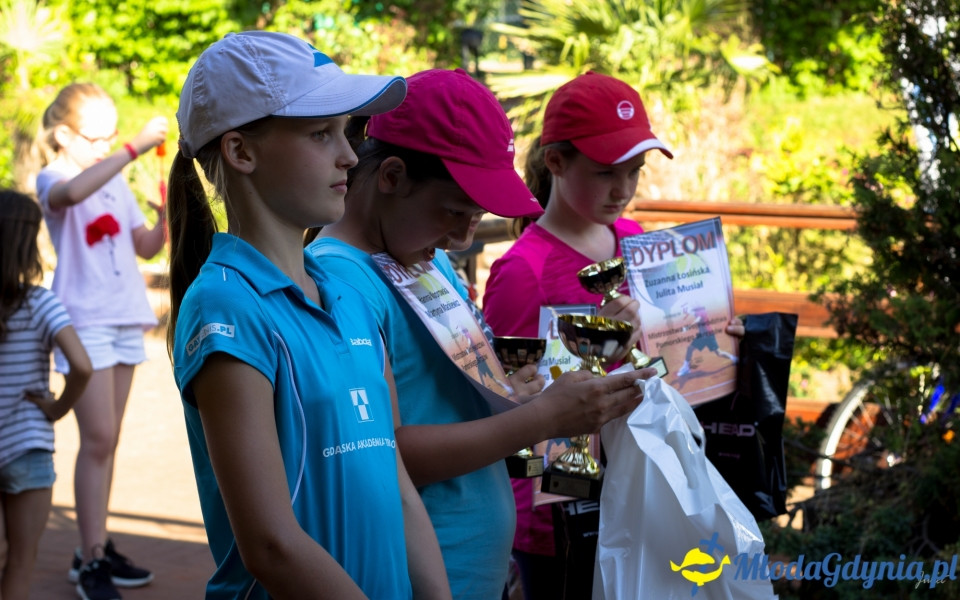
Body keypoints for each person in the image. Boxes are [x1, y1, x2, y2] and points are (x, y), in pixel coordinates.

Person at [307, 68, 652, 600]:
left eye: (477, 217)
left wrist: (528, 394)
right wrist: (544, 416)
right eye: (456, 212)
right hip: (416, 577)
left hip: (476, 569)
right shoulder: (342, 281)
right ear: (391, 176)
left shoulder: (425, 258)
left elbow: (472, 397)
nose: (465, 238)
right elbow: (387, 451)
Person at [166, 31, 449, 600]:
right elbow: (270, 545)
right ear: (241, 152)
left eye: (347, 132)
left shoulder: (346, 291)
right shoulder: (225, 305)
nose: (349, 155)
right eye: (321, 133)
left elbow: (394, 483)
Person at [482, 71, 745, 600]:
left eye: (636, 170)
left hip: (648, 486)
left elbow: (664, 374)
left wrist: (709, 339)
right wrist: (598, 352)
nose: (623, 188)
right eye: (606, 172)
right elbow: (505, 411)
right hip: (560, 515)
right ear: (555, 162)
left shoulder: (635, 242)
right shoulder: (522, 271)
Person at [35, 82, 167, 600]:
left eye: (111, 135)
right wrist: (131, 147)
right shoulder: (56, 175)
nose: (107, 145)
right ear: (63, 134)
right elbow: (69, 195)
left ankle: (93, 545)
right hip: (83, 320)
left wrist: (163, 222)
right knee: (97, 440)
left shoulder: (114, 181)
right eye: (96, 137)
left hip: (124, 317)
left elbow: (141, 245)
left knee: (108, 442)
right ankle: (90, 560)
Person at [0, 190, 92, 600]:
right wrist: (57, 408)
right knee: (20, 561)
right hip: (27, 445)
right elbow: (83, 365)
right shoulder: (40, 302)